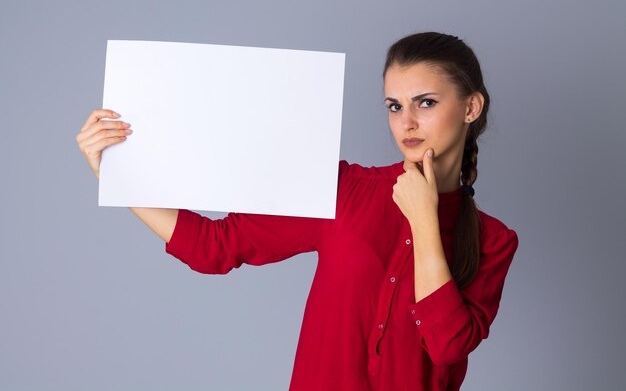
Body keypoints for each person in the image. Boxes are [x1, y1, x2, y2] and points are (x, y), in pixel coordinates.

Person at [76, 31, 518, 391]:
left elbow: (447, 346)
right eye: (394, 106)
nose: (406, 123)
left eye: (425, 102)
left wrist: (424, 220)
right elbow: (213, 246)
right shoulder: (343, 191)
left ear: (470, 107)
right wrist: (118, 175)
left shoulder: (492, 240)